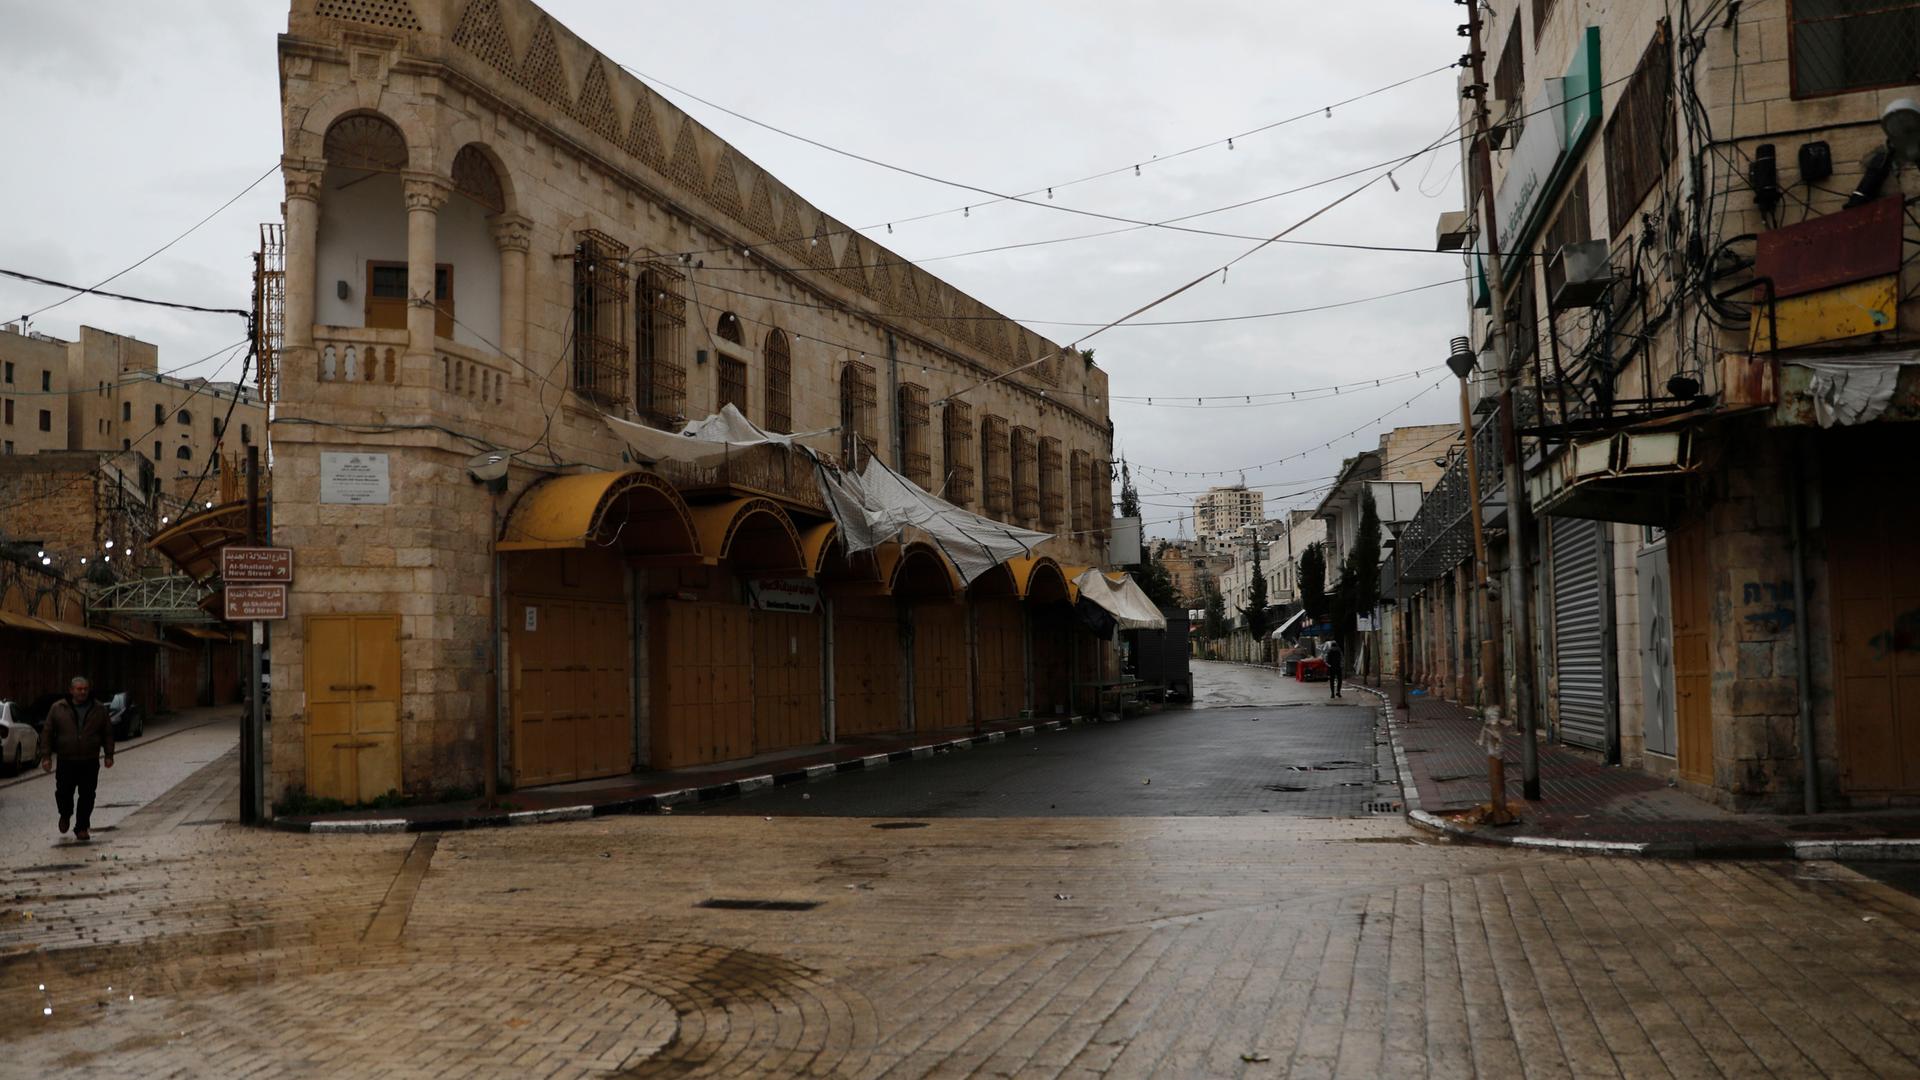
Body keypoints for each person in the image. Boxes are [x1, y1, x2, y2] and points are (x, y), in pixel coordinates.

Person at [37, 676, 114, 842]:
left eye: (85, 689)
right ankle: (65, 814)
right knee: (64, 792)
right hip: (66, 760)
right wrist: (46, 756)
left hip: (89, 760)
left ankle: (82, 827)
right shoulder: (58, 708)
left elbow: (107, 733)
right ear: (71, 690)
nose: (83, 692)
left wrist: (109, 755)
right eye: (79, 689)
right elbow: (47, 732)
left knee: (87, 795)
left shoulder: (98, 709)